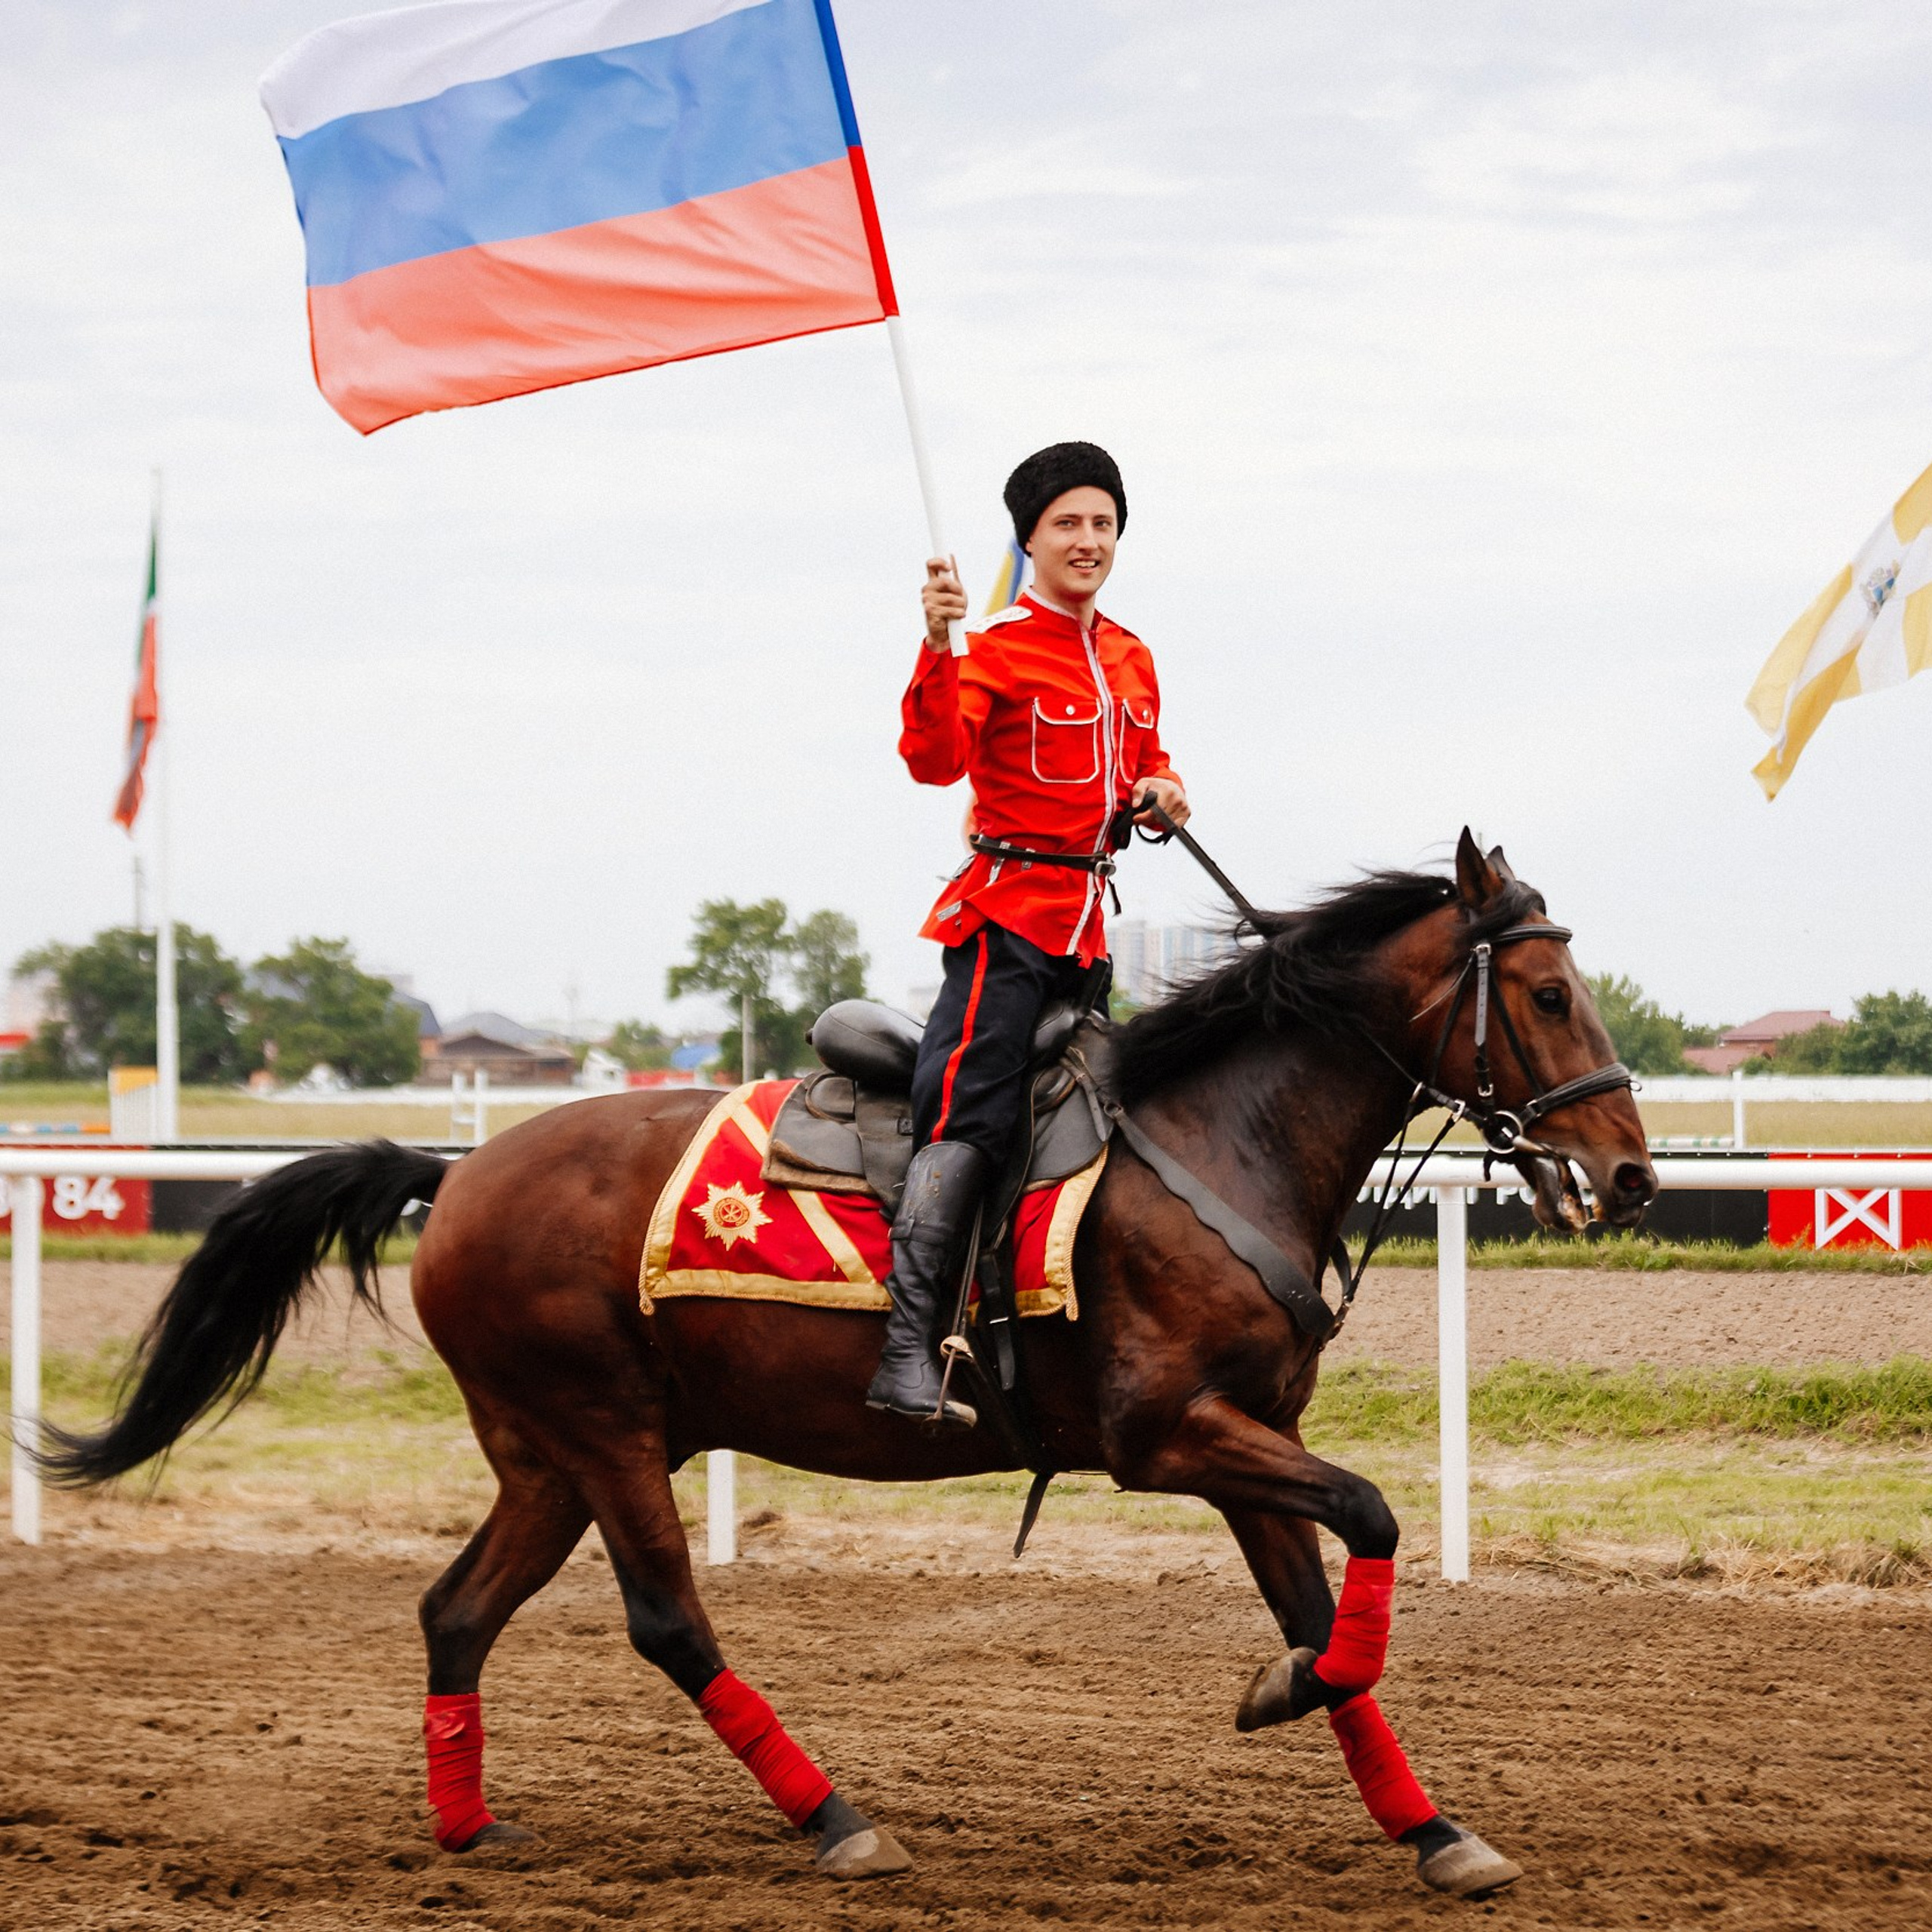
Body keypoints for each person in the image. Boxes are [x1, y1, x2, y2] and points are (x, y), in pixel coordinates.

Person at [866, 441, 1189, 1428]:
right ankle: (907, 1350)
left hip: (1088, 940)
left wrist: (1163, 791)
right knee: (969, 1113)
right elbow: (933, 761)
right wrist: (937, 644)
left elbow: (1149, 758)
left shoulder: (1132, 656)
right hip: (1002, 928)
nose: (1088, 540)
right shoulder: (993, 649)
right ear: (1030, 541)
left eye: (1103, 524)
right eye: (1067, 524)